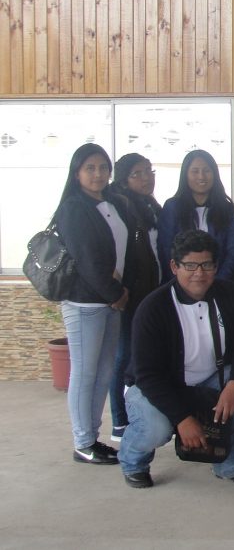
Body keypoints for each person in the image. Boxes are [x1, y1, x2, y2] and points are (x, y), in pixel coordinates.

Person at [118, 230, 234, 488]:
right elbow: (148, 375)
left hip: (210, 379)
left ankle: (232, 462)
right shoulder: (153, 308)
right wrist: (182, 419)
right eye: (190, 265)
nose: (199, 273)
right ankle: (134, 461)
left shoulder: (231, 295)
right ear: (174, 267)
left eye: (207, 265)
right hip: (156, 387)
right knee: (157, 428)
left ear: (216, 266)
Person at [53, 144, 132, 465]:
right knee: (85, 374)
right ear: (77, 173)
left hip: (111, 301)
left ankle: (92, 437)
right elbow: (88, 259)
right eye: (90, 168)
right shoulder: (74, 207)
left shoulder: (109, 202)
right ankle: (83, 442)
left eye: (103, 167)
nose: (98, 173)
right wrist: (115, 293)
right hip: (86, 303)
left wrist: (117, 293)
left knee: (102, 373)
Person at [107, 153, 162, 442]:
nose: (146, 178)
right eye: (138, 173)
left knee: (139, 356)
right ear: (123, 178)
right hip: (131, 296)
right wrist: (120, 290)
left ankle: (139, 411)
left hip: (151, 293)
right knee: (123, 356)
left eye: (149, 171)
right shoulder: (121, 206)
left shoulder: (151, 205)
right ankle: (119, 421)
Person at [158, 149, 234, 281]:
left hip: (220, 284)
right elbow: (165, 249)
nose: (201, 176)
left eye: (207, 171)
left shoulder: (226, 208)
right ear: (185, 175)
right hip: (181, 284)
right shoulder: (172, 206)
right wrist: (182, 283)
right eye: (195, 171)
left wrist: (218, 281)